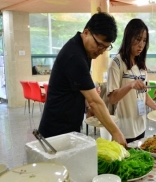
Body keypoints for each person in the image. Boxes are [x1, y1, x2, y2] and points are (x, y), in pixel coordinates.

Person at [38, 12, 126, 146]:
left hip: (66, 127)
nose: (101, 51)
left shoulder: (83, 49)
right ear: (86, 32)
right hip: (56, 133)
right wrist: (116, 132)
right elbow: (95, 101)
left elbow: (79, 87)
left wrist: (86, 106)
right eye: (99, 44)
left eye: (106, 47)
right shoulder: (74, 56)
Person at [107, 19, 156, 143]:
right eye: (138, 39)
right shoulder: (117, 63)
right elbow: (112, 98)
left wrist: (155, 106)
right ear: (129, 37)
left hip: (141, 126)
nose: (141, 45)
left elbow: (143, 94)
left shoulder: (141, 65)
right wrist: (130, 85)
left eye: (144, 40)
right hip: (124, 129)